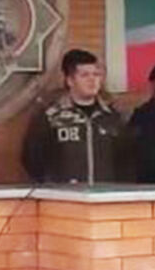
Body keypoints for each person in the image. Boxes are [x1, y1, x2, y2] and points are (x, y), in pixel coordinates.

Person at [22, 49, 132, 184]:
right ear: (70, 80)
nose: (92, 80)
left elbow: (126, 160)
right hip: (64, 194)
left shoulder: (112, 117)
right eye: (84, 75)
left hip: (105, 193)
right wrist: (51, 185)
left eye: (96, 74)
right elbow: (32, 158)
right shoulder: (51, 117)